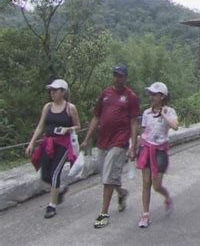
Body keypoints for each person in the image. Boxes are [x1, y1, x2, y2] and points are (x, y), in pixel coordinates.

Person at [81, 64, 140, 228]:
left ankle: (103, 213)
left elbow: (134, 122)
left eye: (120, 75)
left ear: (125, 77)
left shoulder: (130, 97)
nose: (117, 78)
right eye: (115, 75)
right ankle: (121, 193)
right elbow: (96, 117)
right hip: (102, 141)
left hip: (119, 141)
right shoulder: (105, 94)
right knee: (106, 175)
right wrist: (86, 139)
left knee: (107, 178)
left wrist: (133, 146)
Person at [26, 79, 81, 218]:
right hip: (48, 142)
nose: (52, 92)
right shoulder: (47, 107)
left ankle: (52, 205)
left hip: (63, 144)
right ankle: (59, 189)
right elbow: (40, 126)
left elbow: (78, 126)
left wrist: (67, 129)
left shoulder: (70, 108)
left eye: (55, 90)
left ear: (63, 92)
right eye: (51, 90)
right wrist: (32, 142)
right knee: (45, 174)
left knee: (56, 172)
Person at [136, 82, 178, 228]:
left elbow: (175, 126)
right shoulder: (146, 113)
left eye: (155, 94)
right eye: (150, 94)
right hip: (146, 149)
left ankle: (166, 196)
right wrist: (136, 148)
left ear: (162, 96)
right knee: (146, 183)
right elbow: (143, 132)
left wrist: (164, 115)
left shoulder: (169, 111)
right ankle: (145, 214)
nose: (151, 97)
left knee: (156, 185)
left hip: (160, 151)